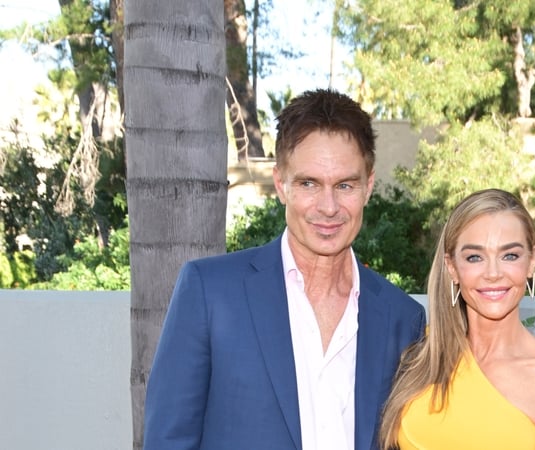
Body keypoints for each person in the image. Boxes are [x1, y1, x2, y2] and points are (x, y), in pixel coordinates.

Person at [143, 89, 427, 450]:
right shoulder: (210, 293)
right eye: (309, 183)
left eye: (345, 185)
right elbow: (168, 440)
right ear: (281, 184)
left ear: (368, 186)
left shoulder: (403, 318)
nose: (328, 207)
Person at [379, 188, 535, 450]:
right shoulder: (420, 356)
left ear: (531, 262)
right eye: (475, 257)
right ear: (452, 267)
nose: (493, 273)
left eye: (510, 255)